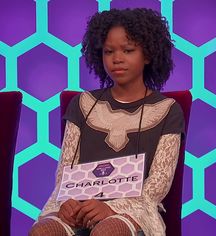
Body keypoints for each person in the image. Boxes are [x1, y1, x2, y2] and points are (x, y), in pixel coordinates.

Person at [29, 8, 184, 236]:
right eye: (108, 51)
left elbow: (158, 183)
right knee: (43, 232)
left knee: (107, 231)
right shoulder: (82, 104)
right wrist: (69, 201)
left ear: (148, 54)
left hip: (133, 210)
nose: (117, 59)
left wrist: (110, 207)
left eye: (128, 50)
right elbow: (65, 169)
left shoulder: (168, 110)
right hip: (78, 205)